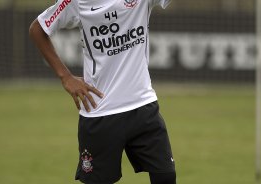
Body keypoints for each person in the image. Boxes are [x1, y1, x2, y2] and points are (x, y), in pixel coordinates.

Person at [29, 0, 176, 183]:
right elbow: (38, 28)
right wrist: (65, 76)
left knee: (166, 176)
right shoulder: (77, 2)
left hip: (143, 106)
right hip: (101, 113)